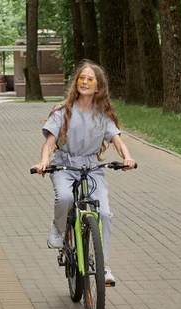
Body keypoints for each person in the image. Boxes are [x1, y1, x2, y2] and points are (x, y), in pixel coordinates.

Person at [31, 60, 135, 284]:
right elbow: (49, 143)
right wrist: (42, 162)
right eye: (82, 78)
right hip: (64, 166)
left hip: (92, 168)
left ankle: (103, 265)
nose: (85, 82)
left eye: (90, 79)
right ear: (76, 82)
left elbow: (117, 141)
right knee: (66, 197)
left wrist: (127, 158)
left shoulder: (102, 114)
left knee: (104, 214)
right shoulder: (63, 111)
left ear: (98, 87)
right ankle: (59, 230)